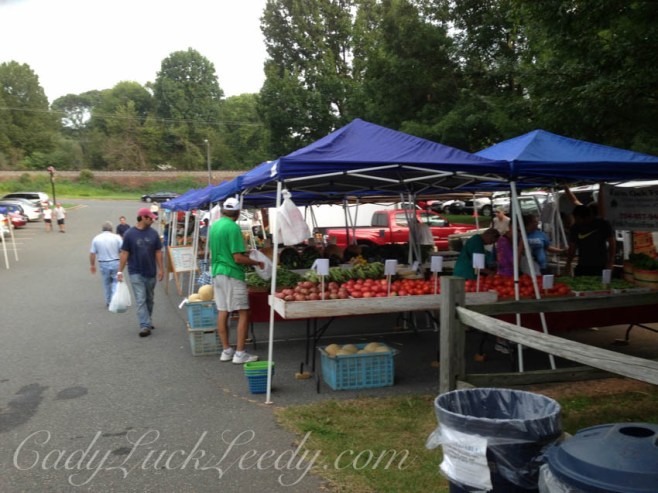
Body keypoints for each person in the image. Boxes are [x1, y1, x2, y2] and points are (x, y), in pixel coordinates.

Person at [208, 197, 264, 364]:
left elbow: (226, 250)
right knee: (243, 312)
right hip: (232, 273)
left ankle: (226, 350)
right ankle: (240, 353)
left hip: (217, 272)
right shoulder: (233, 228)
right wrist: (257, 262)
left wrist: (245, 253)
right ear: (238, 212)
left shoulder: (215, 225)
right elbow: (237, 258)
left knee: (223, 310)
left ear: (224, 210)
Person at [117, 208, 164, 337]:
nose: (152, 220)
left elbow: (158, 252)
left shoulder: (154, 234)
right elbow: (124, 253)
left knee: (149, 299)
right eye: (150, 218)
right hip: (135, 271)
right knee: (141, 299)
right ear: (143, 218)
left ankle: (148, 319)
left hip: (150, 271)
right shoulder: (129, 234)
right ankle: (144, 325)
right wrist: (119, 271)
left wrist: (161, 269)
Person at [566, 205, 616, 277]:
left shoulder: (603, 224)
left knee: (601, 287)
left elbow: (612, 244)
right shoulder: (575, 228)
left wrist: (611, 262)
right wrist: (568, 263)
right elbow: (572, 248)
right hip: (583, 265)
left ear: (587, 217)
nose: (576, 221)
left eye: (578, 219)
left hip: (601, 265)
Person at [89, 221, 123, 307]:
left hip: (103, 263)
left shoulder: (96, 238)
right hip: (115, 261)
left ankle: (109, 301)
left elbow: (92, 253)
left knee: (106, 283)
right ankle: (115, 299)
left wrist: (92, 265)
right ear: (111, 229)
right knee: (116, 281)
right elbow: (122, 251)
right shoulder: (117, 238)